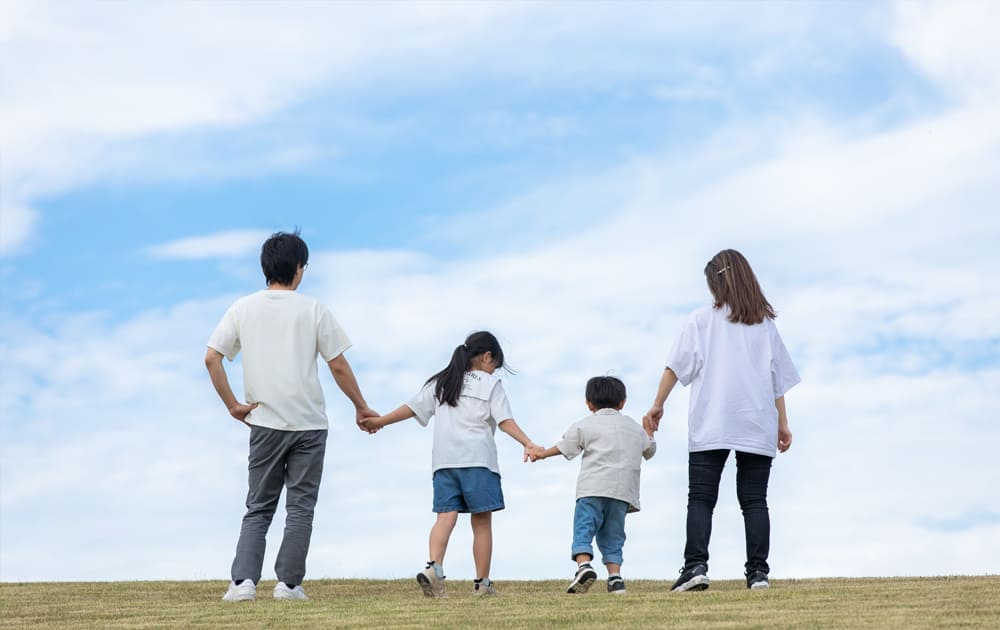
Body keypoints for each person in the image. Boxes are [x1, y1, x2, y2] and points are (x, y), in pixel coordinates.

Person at [205, 230, 377, 602]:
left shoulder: (242, 308)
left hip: (264, 422)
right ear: (299, 269)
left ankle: (243, 584)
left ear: (266, 267)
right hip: (309, 425)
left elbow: (212, 357)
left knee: (259, 506)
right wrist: (360, 407)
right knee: (300, 507)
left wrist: (233, 405)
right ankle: (288, 585)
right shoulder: (314, 309)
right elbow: (339, 366)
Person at [644, 248, 800, 592]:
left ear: (716, 283)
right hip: (756, 423)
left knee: (701, 498)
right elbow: (777, 381)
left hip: (712, 421)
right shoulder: (765, 326)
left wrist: (657, 404)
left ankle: (695, 567)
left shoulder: (701, 320)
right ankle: (758, 574)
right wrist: (782, 423)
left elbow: (675, 366)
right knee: (755, 500)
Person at [360, 331, 542, 598]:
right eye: (494, 366)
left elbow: (410, 408)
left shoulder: (442, 382)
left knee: (445, 517)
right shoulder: (491, 385)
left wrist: (379, 422)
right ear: (487, 357)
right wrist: (527, 442)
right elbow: (504, 421)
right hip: (478, 460)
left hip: (444, 463)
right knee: (481, 522)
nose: (494, 371)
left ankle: (433, 568)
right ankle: (482, 583)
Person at [531, 376, 656, 596]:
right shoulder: (633, 428)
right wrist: (650, 432)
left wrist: (542, 454)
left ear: (589, 403)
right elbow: (649, 451)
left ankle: (584, 566)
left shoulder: (585, 424)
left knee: (584, 528)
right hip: (621, 492)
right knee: (613, 535)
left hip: (592, 488)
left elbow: (566, 446)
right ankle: (615, 579)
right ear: (623, 402)